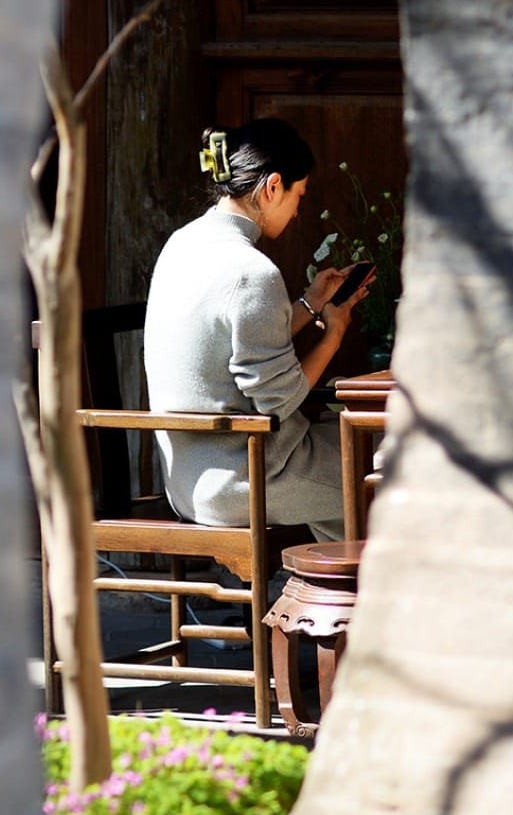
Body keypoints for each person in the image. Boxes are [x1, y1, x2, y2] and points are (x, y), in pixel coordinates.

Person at [143, 119, 369, 542]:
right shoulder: (251, 272)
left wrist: (310, 304)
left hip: (190, 480)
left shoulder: (181, 244)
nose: (298, 209)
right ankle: (357, 601)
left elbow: (235, 342)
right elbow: (281, 400)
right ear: (272, 186)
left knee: (348, 469)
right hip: (249, 477)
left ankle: (334, 597)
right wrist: (333, 334)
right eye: (298, 195)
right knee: (386, 476)